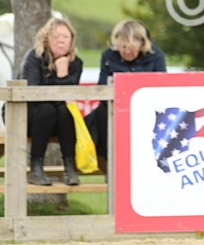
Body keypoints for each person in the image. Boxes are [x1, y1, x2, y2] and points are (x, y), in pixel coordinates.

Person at [85, 19, 167, 158]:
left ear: (142, 44)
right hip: (115, 108)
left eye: (132, 48)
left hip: (145, 109)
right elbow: (102, 86)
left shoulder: (156, 56)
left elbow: (162, 88)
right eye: (123, 48)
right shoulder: (108, 56)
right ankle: (106, 156)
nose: (127, 52)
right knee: (98, 115)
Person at [20, 16, 83, 186]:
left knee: (64, 110)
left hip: (57, 117)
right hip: (25, 114)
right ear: (46, 39)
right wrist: (61, 76)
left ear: (71, 41)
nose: (61, 40)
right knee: (48, 108)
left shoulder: (76, 63)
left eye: (65, 37)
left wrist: (63, 72)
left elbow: (69, 96)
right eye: (56, 36)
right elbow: (33, 94)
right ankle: (36, 167)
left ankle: (70, 167)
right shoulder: (34, 58)